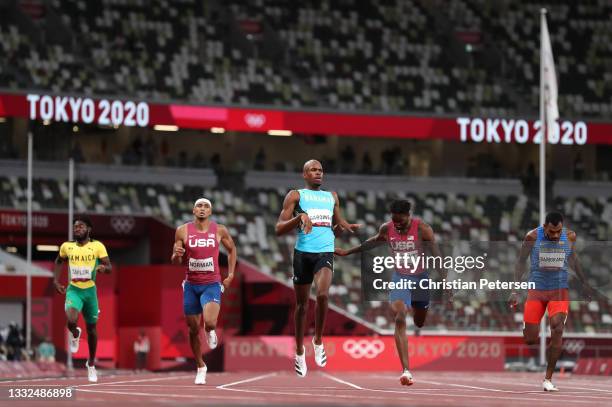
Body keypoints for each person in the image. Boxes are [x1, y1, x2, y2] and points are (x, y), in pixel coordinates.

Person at [335, 199, 445, 386]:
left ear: (408, 215)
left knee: (419, 321)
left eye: (400, 221)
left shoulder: (422, 229)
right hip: (400, 279)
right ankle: (406, 371)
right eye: (394, 220)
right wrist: (348, 252)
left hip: (421, 280)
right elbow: (372, 242)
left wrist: (444, 281)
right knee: (400, 317)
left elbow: (437, 255)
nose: (397, 224)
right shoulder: (387, 229)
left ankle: (417, 314)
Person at [275, 159, 360, 377]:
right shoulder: (296, 195)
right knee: (302, 305)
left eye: (320, 170)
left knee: (322, 295)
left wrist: (343, 227)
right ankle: (299, 351)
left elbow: (337, 226)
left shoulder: (331, 197)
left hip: (325, 252)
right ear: (304, 174)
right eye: (313, 170)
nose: (318, 173)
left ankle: (318, 340)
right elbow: (279, 229)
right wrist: (299, 218)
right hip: (303, 253)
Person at [509, 212, 594, 392]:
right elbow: (520, 262)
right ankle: (529, 327)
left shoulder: (570, 236)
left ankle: (548, 378)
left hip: (559, 290)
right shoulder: (532, 237)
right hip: (537, 289)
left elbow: (573, 259)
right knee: (530, 339)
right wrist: (515, 290)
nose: (555, 235)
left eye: (558, 231)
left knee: (557, 328)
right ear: (544, 227)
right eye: (552, 232)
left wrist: (584, 282)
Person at [171, 198, 237, 385]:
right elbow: (175, 260)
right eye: (199, 206)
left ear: (210, 211)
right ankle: (201, 366)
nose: (202, 209)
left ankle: (210, 330)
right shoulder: (182, 230)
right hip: (191, 285)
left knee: (208, 322)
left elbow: (232, 250)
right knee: (192, 329)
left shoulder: (219, 230)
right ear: (193, 210)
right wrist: (177, 254)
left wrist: (231, 274)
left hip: (211, 283)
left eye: (206, 206)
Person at [53, 215, 112, 383]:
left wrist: (102, 268)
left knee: (92, 329)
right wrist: (56, 281)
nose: (77, 229)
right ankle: (75, 332)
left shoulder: (97, 246)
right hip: (74, 290)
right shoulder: (67, 247)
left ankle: (91, 364)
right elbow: (58, 261)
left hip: (90, 292)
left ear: (88, 229)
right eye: (75, 227)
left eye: (80, 226)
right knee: (71, 319)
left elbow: (109, 266)